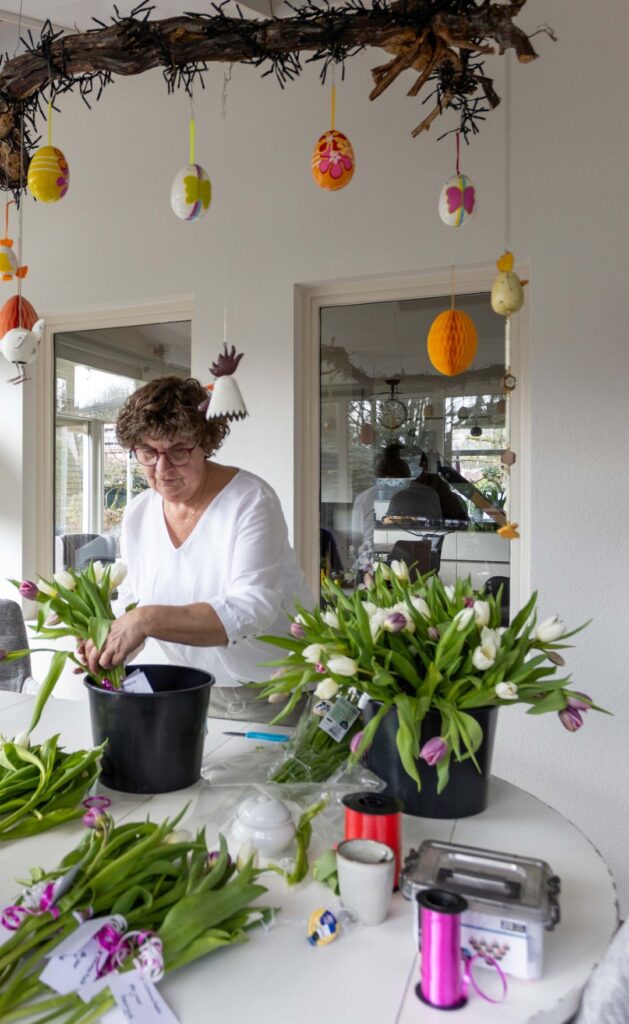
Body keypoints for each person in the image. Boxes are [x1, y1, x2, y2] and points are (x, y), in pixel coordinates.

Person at [83, 376, 313, 720]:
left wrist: (144, 620)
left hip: (272, 692)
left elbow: (254, 607)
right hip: (191, 687)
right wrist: (111, 640)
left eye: (178, 450)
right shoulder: (138, 513)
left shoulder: (251, 500)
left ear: (205, 443)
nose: (162, 469)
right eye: (148, 452)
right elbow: (133, 600)